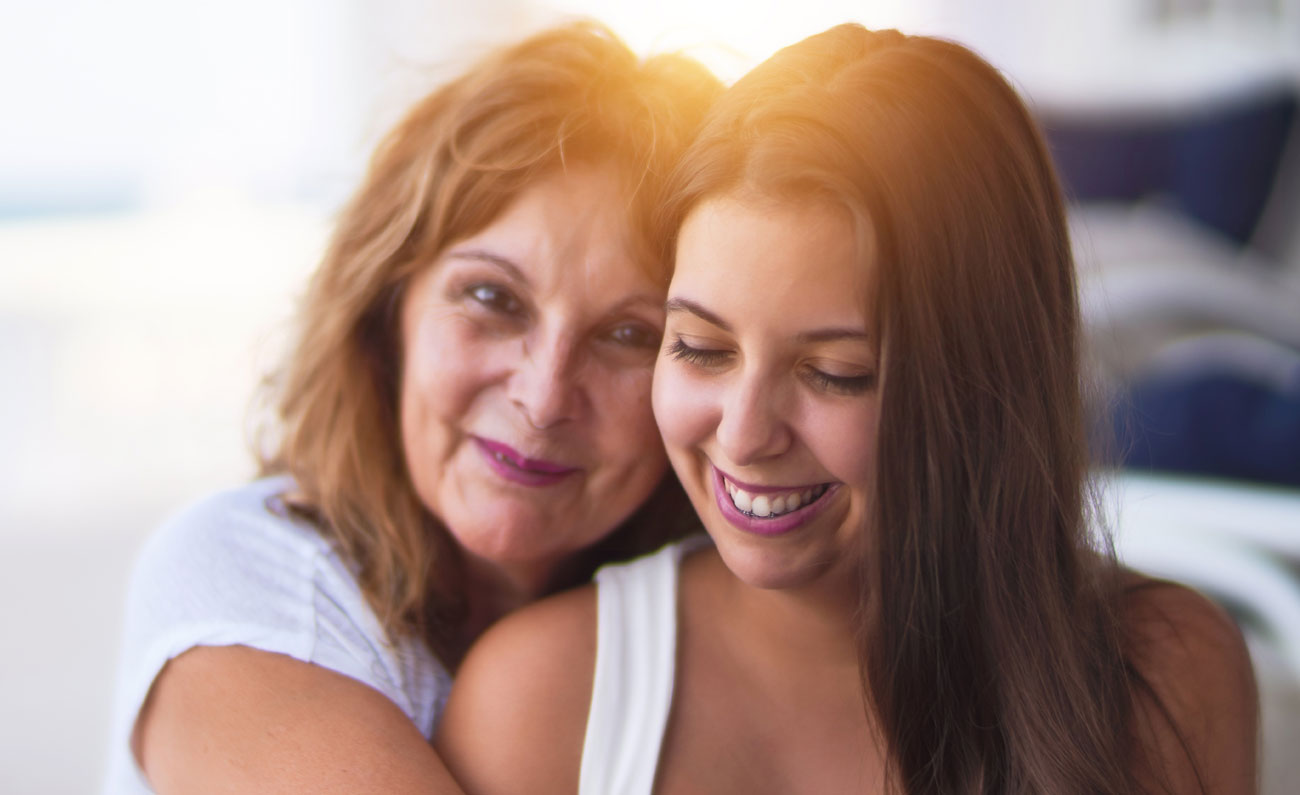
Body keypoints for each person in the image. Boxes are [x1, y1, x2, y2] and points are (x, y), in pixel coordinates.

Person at [434, 24, 1259, 794]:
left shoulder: (1164, 675)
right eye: (700, 348)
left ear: (983, 383)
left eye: (834, 371)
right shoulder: (538, 704)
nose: (745, 432)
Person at [104, 22, 720, 794]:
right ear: (386, 312)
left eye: (630, 333)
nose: (544, 394)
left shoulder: (706, 624)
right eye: (493, 298)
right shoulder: (241, 574)